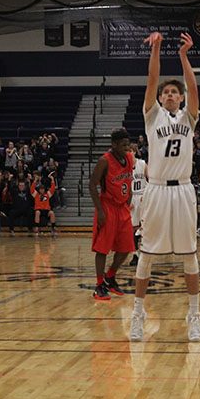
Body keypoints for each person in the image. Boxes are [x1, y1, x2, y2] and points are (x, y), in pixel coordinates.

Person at [130, 31, 200, 343]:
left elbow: (194, 87)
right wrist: (157, 49)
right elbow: (151, 79)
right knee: (146, 255)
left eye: (176, 92)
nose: (171, 95)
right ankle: (137, 314)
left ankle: (194, 315)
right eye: (167, 93)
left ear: (181, 97)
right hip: (157, 190)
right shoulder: (152, 117)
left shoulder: (189, 118)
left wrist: (184, 56)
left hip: (184, 190)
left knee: (189, 255)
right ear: (160, 99)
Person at [89, 129, 135, 301]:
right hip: (107, 207)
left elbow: (128, 180)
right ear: (113, 145)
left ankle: (110, 276)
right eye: (123, 145)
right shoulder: (104, 161)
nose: (126, 147)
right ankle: (99, 285)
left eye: (127, 144)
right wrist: (99, 210)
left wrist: (129, 196)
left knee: (126, 248)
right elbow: (92, 185)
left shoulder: (129, 158)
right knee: (102, 248)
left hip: (122, 207)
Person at [129, 142, 148, 266]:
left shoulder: (142, 164)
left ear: (134, 152)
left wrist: (147, 195)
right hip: (132, 197)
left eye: (130, 151)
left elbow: (151, 180)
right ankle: (135, 254)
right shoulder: (124, 167)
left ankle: (144, 252)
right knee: (132, 228)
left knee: (144, 226)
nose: (128, 154)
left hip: (143, 195)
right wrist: (127, 200)